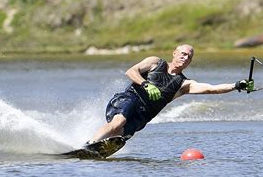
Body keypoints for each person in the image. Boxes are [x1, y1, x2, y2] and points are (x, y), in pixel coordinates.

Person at [88, 44, 253, 143]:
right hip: (129, 99)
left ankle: (97, 148)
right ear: (174, 53)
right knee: (119, 122)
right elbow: (131, 71)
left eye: (189, 57)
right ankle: (90, 143)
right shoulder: (154, 62)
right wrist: (145, 84)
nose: (185, 58)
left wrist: (237, 85)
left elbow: (211, 88)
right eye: (183, 54)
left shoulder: (183, 84)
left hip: (144, 116)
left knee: (120, 136)